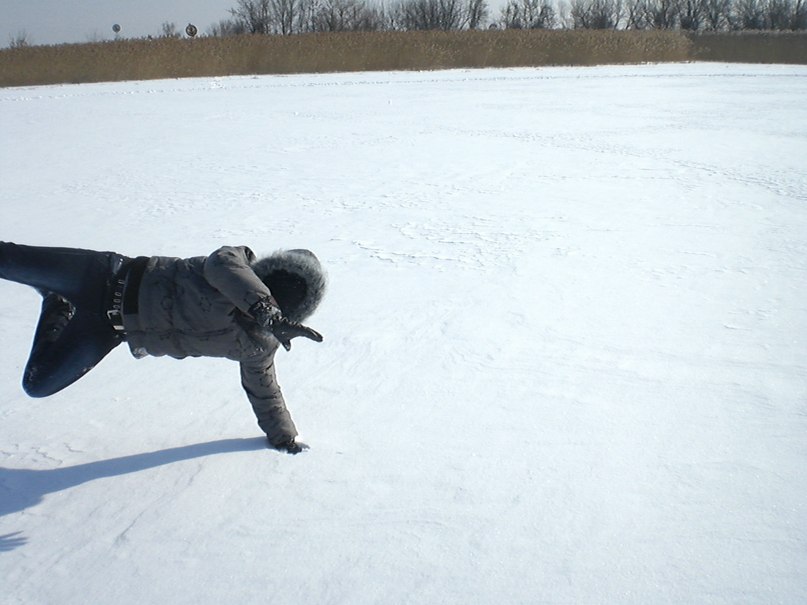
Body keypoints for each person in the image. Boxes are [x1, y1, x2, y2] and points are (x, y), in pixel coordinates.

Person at [0, 241, 326, 454]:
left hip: (106, 329)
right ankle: (60, 292)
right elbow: (223, 266)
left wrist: (284, 437)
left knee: (38, 383)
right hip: (100, 276)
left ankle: (58, 304)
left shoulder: (257, 346)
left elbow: (266, 394)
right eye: (270, 286)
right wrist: (265, 311)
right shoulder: (231, 267)